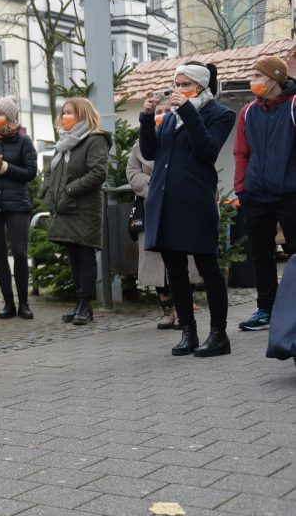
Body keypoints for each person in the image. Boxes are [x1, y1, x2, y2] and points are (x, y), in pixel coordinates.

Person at [140, 62, 235, 357]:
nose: (178, 90)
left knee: (208, 268)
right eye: (175, 85)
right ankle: (188, 333)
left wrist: (188, 112)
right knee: (176, 270)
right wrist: (146, 117)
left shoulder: (220, 114)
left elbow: (207, 150)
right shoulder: (170, 117)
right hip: (166, 201)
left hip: (195, 202)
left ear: (201, 86)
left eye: (185, 84)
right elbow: (150, 152)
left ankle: (219, 335)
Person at [234, 56, 296, 332]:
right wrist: (241, 189)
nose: (253, 81)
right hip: (256, 194)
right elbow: (241, 153)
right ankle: (265, 310)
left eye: (258, 75)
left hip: (290, 194)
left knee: (294, 253)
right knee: (261, 254)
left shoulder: (293, 105)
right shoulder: (248, 112)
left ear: (274, 79)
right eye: (253, 75)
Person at [127, 105, 203, 329]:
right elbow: (132, 172)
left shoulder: (184, 137)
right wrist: (155, 185)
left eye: (165, 110)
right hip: (151, 206)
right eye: (157, 110)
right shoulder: (138, 146)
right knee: (155, 261)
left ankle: (183, 310)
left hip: (179, 204)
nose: (161, 114)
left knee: (183, 258)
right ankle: (166, 308)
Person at [43, 97, 111, 325]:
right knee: (73, 257)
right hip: (64, 207)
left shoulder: (95, 140)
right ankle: (79, 304)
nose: (65, 117)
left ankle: (86, 304)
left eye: (70, 112)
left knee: (85, 256)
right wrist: (48, 193)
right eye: (63, 113)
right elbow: (52, 172)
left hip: (85, 208)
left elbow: (98, 173)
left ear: (82, 114)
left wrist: (70, 190)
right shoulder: (64, 142)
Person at [0, 96, 38, 319]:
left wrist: (6, 168)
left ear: (10, 117)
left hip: (17, 204)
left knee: (20, 253)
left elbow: (30, 173)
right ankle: (8, 303)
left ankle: (24, 303)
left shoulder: (23, 141)